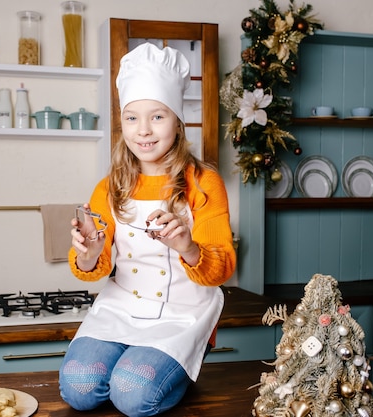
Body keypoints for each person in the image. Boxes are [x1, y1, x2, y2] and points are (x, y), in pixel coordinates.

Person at [59, 42, 237, 417]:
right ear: (122, 122)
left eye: (157, 117)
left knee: (132, 392)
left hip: (181, 313)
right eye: (131, 118)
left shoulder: (203, 182)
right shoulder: (108, 187)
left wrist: (187, 246)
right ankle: (138, 361)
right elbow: (95, 264)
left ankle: (176, 368)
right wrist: (89, 255)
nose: (143, 131)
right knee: (79, 387)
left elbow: (221, 269)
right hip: (120, 309)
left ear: (177, 120)